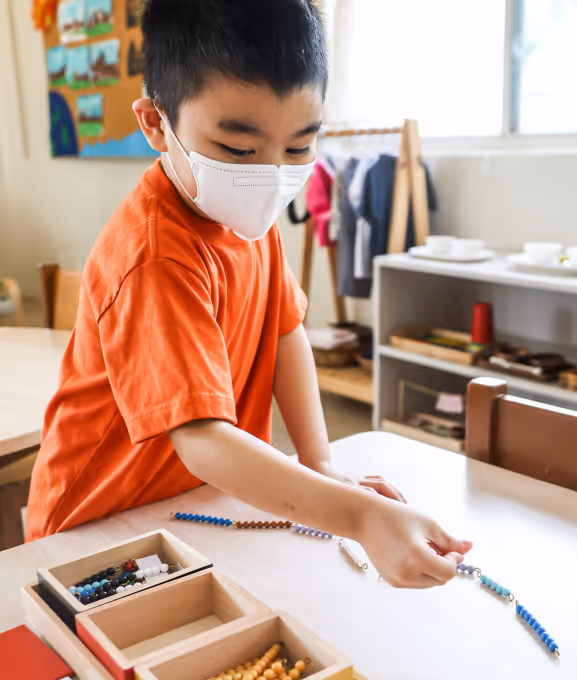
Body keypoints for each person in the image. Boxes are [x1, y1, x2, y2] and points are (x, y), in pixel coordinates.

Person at [26, 0, 471, 588]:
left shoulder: (249, 218)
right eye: (238, 151)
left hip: (199, 503)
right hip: (96, 525)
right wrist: (361, 517)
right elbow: (202, 437)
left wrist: (320, 461)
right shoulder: (155, 254)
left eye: (297, 149)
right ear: (157, 124)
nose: (269, 175)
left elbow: (286, 332)